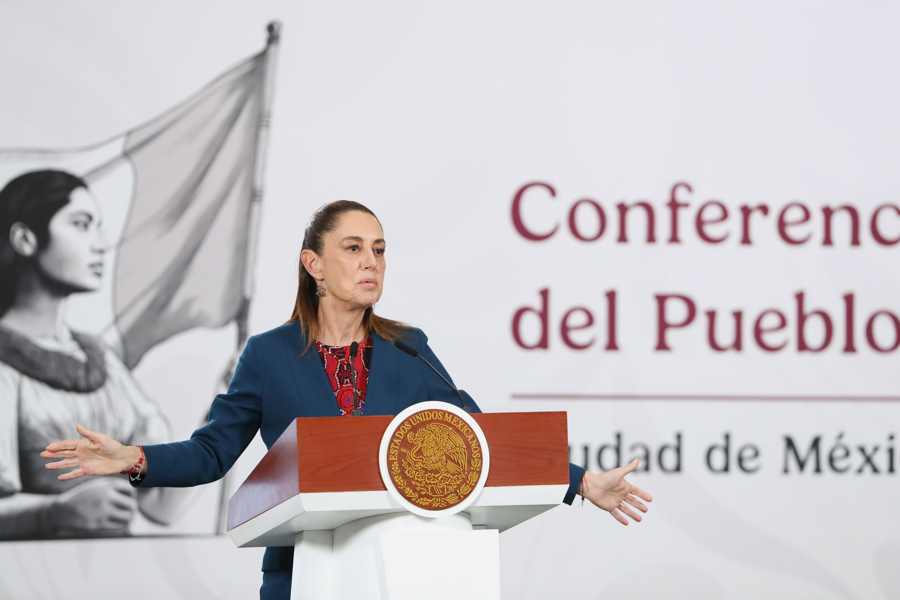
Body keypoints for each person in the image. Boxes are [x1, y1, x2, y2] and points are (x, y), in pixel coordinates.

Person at [42, 200, 652, 599]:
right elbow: (212, 453)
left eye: (379, 250)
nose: (371, 263)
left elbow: (478, 442)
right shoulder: (268, 355)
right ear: (313, 263)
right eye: (354, 248)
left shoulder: (409, 349)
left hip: (400, 572)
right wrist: (135, 458)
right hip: (300, 573)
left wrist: (579, 481)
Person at [0, 169, 184, 540]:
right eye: (81, 225)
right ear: (25, 239)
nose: (100, 245)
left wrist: (225, 416)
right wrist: (54, 512)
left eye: (98, 228)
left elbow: (160, 505)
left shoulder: (101, 360)